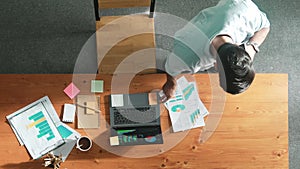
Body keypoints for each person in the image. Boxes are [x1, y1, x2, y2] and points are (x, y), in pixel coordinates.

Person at [162, 0, 270, 100]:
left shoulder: (244, 11)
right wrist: (171, 84)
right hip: (192, 40)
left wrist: (253, 46)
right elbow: (170, 69)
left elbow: (265, 26)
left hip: (226, 12)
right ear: (216, 66)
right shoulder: (186, 57)